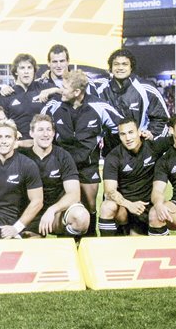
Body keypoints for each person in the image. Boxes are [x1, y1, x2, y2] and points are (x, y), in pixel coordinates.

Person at [99, 117, 176, 236]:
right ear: (119, 136)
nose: (128, 138)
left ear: (139, 132)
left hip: (147, 209)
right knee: (107, 206)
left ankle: (161, 247)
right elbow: (109, 192)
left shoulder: (153, 147)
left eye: (131, 132)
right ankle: (105, 249)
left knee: (140, 243)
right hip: (125, 208)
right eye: (123, 134)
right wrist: (129, 205)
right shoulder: (113, 157)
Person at [41, 69, 123, 236]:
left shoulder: (99, 107)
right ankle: (66, 242)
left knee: (90, 206)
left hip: (88, 167)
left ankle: (90, 239)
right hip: (62, 169)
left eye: (64, 87)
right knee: (66, 206)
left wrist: (109, 151)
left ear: (77, 92)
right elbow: (39, 129)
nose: (60, 90)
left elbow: (121, 127)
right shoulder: (53, 106)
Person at [20, 114, 89, 237]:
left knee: (81, 217)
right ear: (31, 133)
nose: (45, 134)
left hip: (57, 213)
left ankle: (67, 243)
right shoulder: (22, 157)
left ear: (53, 133)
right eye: (40, 130)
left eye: (48, 130)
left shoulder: (63, 156)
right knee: (35, 252)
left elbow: (74, 194)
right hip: (31, 213)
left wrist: (52, 209)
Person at [95, 48, 170, 139]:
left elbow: (162, 119)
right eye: (116, 64)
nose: (120, 68)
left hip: (139, 148)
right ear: (111, 67)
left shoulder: (146, 89)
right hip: (110, 149)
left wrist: (152, 134)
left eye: (125, 64)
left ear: (131, 67)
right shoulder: (99, 88)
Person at [0, 54, 50, 148]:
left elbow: (64, 91)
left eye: (29, 68)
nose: (26, 72)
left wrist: (52, 90)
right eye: (22, 68)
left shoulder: (43, 89)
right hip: (17, 146)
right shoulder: (7, 94)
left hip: (41, 145)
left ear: (34, 70)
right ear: (16, 71)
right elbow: (1, 123)